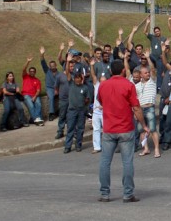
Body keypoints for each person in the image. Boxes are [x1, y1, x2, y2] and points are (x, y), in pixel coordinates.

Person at [97, 60, 146, 203]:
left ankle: (105, 193)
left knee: (105, 161)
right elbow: (136, 108)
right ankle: (128, 193)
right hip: (125, 128)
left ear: (111, 71)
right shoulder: (128, 85)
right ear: (123, 71)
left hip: (109, 128)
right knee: (127, 162)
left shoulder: (103, 85)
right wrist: (143, 124)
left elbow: (100, 101)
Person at [63, 72, 93, 154]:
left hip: (81, 111)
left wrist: (86, 102)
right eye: (76, 79)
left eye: (79, 79)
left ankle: (78, 145)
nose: (77, 80)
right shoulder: (71, 85)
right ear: (74, 79)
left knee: (80, 129)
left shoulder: (85, 88)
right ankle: (67, 146)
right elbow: (68, 74)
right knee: (70, 129)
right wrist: (68, 62)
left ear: (81, 79)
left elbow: (88, 99)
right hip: (72, 110)